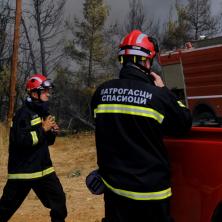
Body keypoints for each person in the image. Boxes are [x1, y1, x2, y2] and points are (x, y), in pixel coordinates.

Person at [90, 30, 192, 222]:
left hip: (115, 192)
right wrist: (165, 91)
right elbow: (184, 123)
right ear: (146, 62)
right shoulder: (157, 96)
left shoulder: (100, 93)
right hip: (151, 195)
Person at [0, 74, 67, 222]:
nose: (47, 94)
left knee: (59, 203)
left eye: (48, 91)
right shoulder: (22, 115)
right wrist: (43, 129)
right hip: (23, 173)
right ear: (34, 93)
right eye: (44, 91)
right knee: (4, 210)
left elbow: (47, 142)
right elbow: (21, 141)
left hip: (44, 171)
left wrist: (52, 132)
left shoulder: (45, 113)